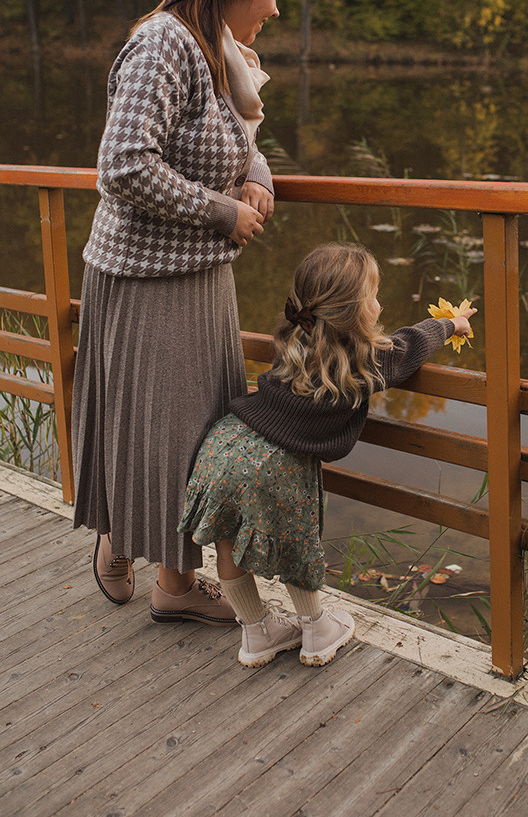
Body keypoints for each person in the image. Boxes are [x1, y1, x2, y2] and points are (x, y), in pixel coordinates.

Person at [72, 0, 295, 625]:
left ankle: (160, 567)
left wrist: (256, 179)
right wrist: (221, 213)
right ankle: (154, 566)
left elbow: (232, 135)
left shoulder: (216, 48)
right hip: (145, 277)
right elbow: (123, 164)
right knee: (163, 430)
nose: (277, 8)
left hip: (198, 277)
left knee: (189, 430)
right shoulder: (162, 44)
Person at [178, 242, 476, 667]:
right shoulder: (366, 361)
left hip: (227, 446)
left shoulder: (293, 339)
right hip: (277, 463)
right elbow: (411, 345)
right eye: (372, 296)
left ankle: (256, 634)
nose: (379, 303)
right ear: (354, 311)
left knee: (227, 541)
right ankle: (317, 630)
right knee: (297, 543)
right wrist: (451, 325)